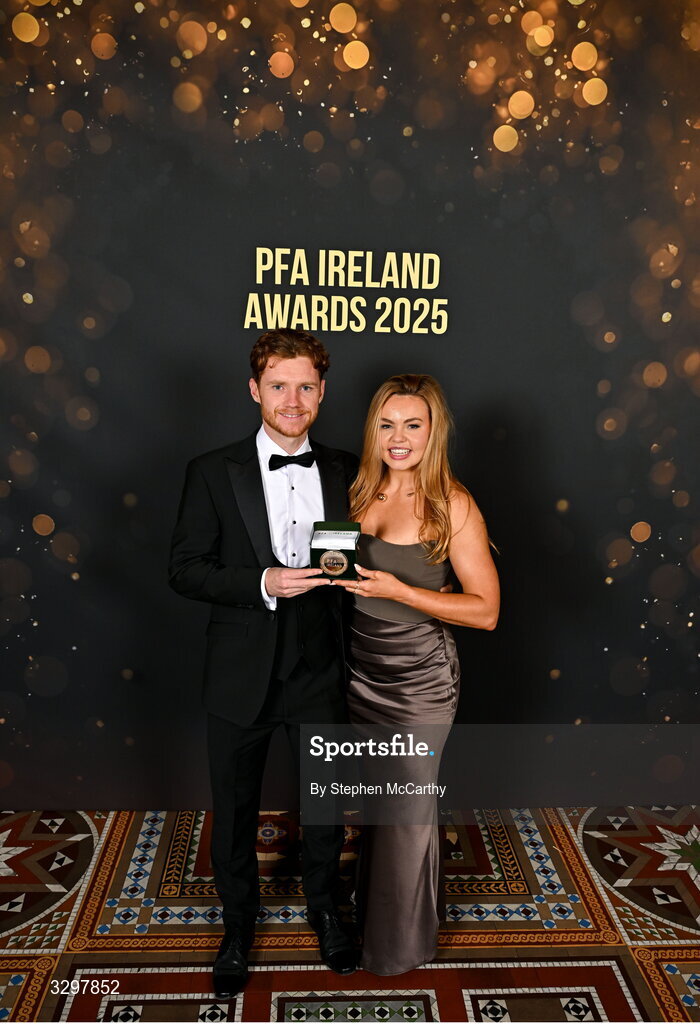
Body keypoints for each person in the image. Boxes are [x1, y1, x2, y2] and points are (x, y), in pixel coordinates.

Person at [168, 329, 360, 998]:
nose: (292, 399)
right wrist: (262, 584)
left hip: (320, 668)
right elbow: (186, 571)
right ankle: (237, 926)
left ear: (322, 393)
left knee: (326, 808)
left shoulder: (346, 468)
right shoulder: (210, 470)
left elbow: (366, 558)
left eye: (306, 385)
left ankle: (325, 910)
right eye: (279, 385)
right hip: (240, 671)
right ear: (255, 390)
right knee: (236, 809)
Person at [335, 373, 500, 975]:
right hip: (355, 671)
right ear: (372, 429)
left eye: (412, 425)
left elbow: (485, 611)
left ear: (433, 432)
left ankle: (397, 950)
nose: (398, 438)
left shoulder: (451, 502)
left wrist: (402, 591)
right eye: (386, 424)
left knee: (406, 815)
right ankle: (376, 915)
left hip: (418, 682)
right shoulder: (355, 491)